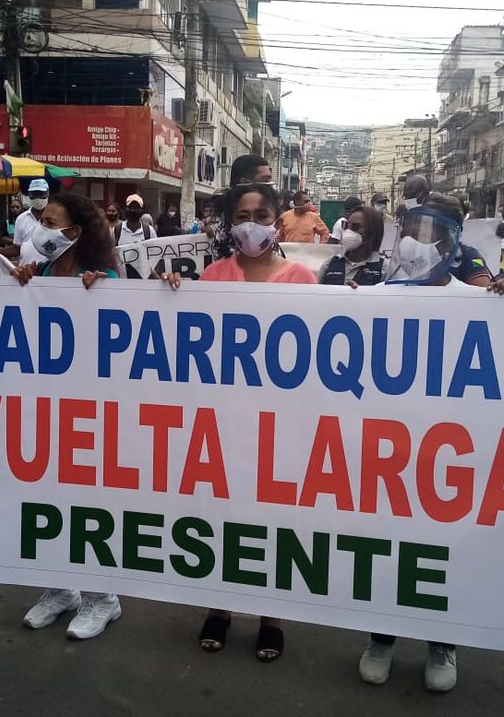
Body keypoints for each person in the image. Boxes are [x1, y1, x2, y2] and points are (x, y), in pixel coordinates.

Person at [159, 184, 315, 662]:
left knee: (274, 520)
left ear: (277, 221)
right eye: (243, 215)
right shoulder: (213, 276)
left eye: (261, 215)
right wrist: (169, 291)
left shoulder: (303, 279)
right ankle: (220, 608)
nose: (252, 224)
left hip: (281, 424)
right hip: (224, 422)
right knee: (222, 516)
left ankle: (272, 616)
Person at [359, 193, 482, 693]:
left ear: (451, 243)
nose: (415, 243)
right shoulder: (374, 298)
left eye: (427, 234)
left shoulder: (480, 303)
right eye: (408, 232)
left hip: (448, 455)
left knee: (441, 552)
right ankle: (382, 639)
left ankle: (441, 642)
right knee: (386, 550)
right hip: (385, 452)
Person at [11, 192, 122, 640]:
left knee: (88, 504)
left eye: (51, 222)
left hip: (89, 411)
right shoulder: (41, 273)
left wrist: (102, 291)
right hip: (45, 406)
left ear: (75, 232)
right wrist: (19, 285)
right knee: (46, 501)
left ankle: (102, 597)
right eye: (41, 219)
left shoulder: (103, 277)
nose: (41, 228)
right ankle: (61, 589)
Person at [318, 204, 385, 284]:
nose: (348, 231)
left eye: (356, 226)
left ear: (371, 231)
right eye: (346, 225)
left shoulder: (383, 268)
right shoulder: (330, 263)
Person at [0, 179, 47, 266]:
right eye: (34, 194)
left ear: (47, 193)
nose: (37, 197)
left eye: (41, 194)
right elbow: (17, 248)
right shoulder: (21, 219)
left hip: (47, 271)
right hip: (25, 270)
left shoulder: (54, 217)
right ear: (29, 195)